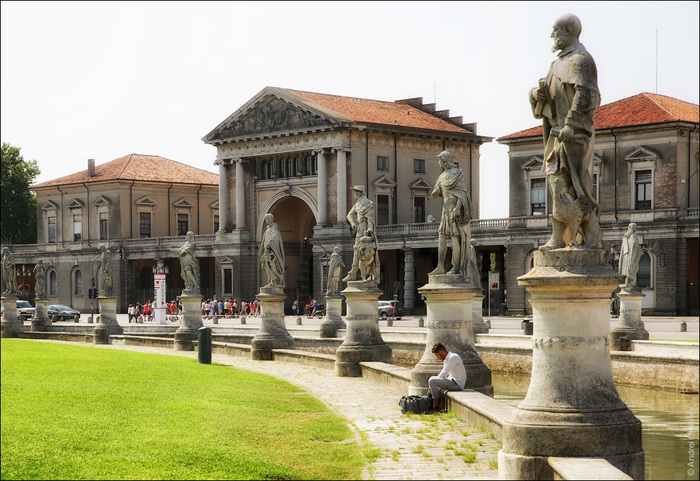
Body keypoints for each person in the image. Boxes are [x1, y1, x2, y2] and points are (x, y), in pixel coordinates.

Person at [530, 13, 603, 250]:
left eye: (556, 30)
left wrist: (572, 125)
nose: (552, 34)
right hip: (556, 136)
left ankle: (590, 234)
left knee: (575, 187)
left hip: (572, 136)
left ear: (569, 30)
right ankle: (559, 235)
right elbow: (548, 97)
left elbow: (588, 95)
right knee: (557, 186)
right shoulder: (557, 64)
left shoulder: (581, 60)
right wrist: (535, 95)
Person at [429, 150, 472, 277]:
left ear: (444, 161)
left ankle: (456, 267)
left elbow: (463, 194)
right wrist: (436, 192)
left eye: (439, 159)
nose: (438, 162)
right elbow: (436, 193)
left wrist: (458, 208)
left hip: (454, 210)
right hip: (445, 211)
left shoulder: (457, 174)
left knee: (455, 238)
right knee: (442, 237)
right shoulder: (442, 176)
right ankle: (440, 266)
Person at [343, 185, 380, 282]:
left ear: (358, 193)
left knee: (366, 252)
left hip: (365, 231)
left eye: (354, 193)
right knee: (357, 250)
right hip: (359, 230)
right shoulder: (357, 204)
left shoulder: (367, 203)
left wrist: (370, 229)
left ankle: (369, 274)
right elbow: (349, 215)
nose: (353, 195)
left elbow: (370, 218)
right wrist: (352, 223)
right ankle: (353, 273)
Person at [428, 343, 466, 410]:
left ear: (441, 352)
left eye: (437, 355)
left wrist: (432, 385)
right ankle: (432, 402)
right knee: (432, 379)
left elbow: (444, 372)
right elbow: (444, 375)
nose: (437, 357)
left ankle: (436, 405)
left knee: (432, 381)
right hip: (451, 381)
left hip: (457, 384)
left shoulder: (453, 357)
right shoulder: (447, 359)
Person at [259, 213, 285, 288]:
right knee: (266, 266)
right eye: (266, 218)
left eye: (269, 218)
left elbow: (275, 237)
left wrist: (268, 244)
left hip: (272, 253)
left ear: (272, 219)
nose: (267, 220)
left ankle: (277, 279)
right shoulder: (268, 229)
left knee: (272, 268)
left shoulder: (274, 228)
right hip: (266, 252)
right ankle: (272, 280)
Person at [619, 223, 643, 288]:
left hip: (626, 256)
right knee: (630, 269)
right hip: (631, 255)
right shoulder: (632, 236)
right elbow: (634, 245)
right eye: (635, 227)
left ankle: (627, 282)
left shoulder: (626, 236)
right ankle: (629, 282)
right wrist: (639, 250)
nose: (636, 228)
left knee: (627, 269)